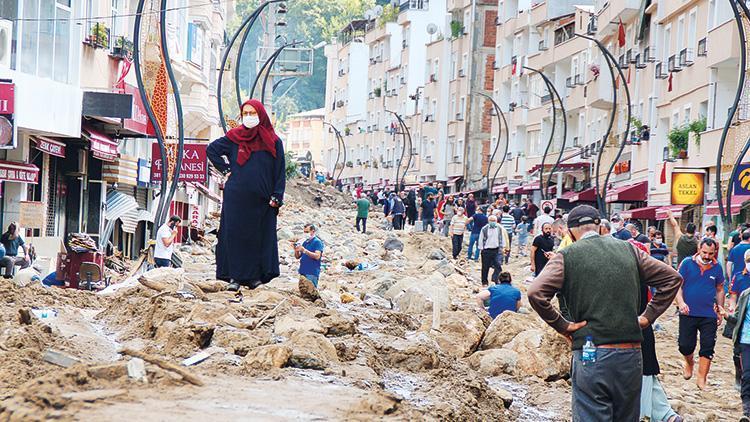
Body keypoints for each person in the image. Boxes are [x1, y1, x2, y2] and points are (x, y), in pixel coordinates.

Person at [528, 205, 682, 422]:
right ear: (599, 226)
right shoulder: (630, 250)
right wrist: (648, 316)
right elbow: (672, 278)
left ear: (571, 231)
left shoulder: (566, 256)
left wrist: (563, 326)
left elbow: (536, 293)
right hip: (630, 355)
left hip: (592, 354)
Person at [207, 99, 286, 292]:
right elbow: (212, 150)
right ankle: (234, 277)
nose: (249, 117)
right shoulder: (235, 137)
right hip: (236, 198)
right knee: (235, 236)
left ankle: (254, 277)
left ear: (261, 114)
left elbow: (279, 171)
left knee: (258, 237)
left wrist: (277, 195)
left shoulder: (274, 141)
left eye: (253, 113)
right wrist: (225, 169)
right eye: (246, 114)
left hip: (263, 200)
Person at [676, 238, 724, 390]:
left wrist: (720, 309)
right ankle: (689, 362)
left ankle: (702, 378)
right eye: (704, 252)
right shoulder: (687, 263)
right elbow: (678, 286)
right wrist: (681, 303)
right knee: (685, 345)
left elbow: (720, 289)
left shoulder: (717, 267)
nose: (707, 256)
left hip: (709, 313)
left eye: (711, 253)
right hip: (688, 312)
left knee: (708, 346)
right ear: (698, 248)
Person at [722, 286, 750, 420]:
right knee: (747, 375)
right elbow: (737, 318)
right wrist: (726, 315)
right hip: (746, 341)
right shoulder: (746, 294)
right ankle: (747, 411)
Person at [294, 223, 324, 291]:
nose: (305, 234)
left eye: (307, 232)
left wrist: (304, 250)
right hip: (303, 271)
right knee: (303, 291)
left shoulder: (317, 242)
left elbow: (317, 256)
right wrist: (296, 250)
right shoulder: (305, 242)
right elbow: (298, 256)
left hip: (311, 272)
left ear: (313, 231)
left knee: (310, 291)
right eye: (304, 232)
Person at [478, 215, 507, 286]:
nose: (493, 222)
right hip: (486, 250)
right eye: (491, 221)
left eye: (494, 221)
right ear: (488, 221)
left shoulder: (499, 228)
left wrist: (503, 246)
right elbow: (481, 239)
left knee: (498, 266)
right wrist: (481, 248)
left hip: (496, 250)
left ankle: (496, 279)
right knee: (485, 267)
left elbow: (502, 237)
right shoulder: (484, 229)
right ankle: (484, 282)